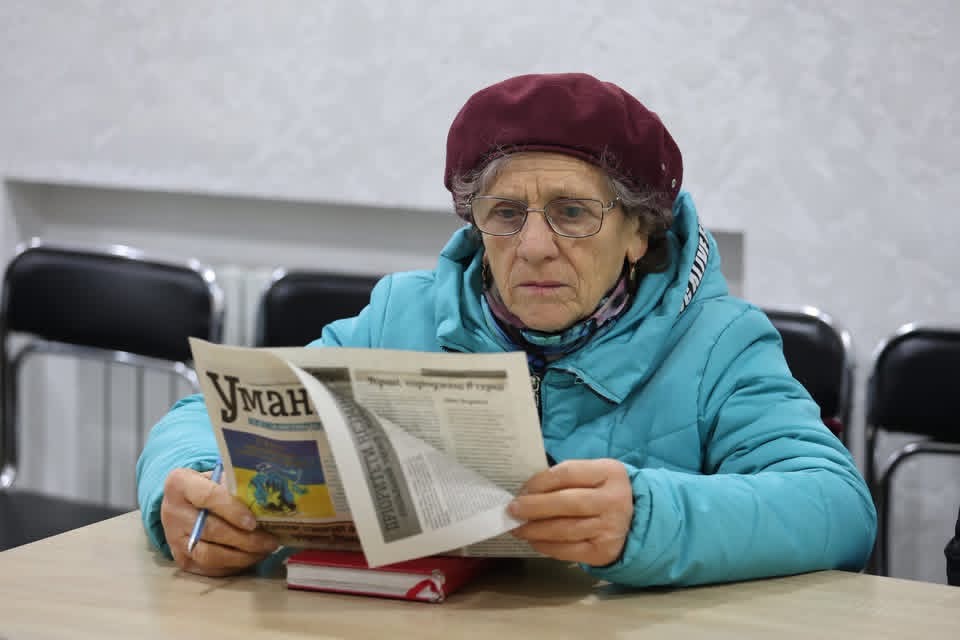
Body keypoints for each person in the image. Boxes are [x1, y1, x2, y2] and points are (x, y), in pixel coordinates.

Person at [136, 72, 877, 586]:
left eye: (573, 212)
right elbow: (211, 414)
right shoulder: (406, 314)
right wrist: (190, 494)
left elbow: (839, 508)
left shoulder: (717, 342)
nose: (534, 246)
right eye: (506, 213)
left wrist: (649, 519)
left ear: (638, 232)